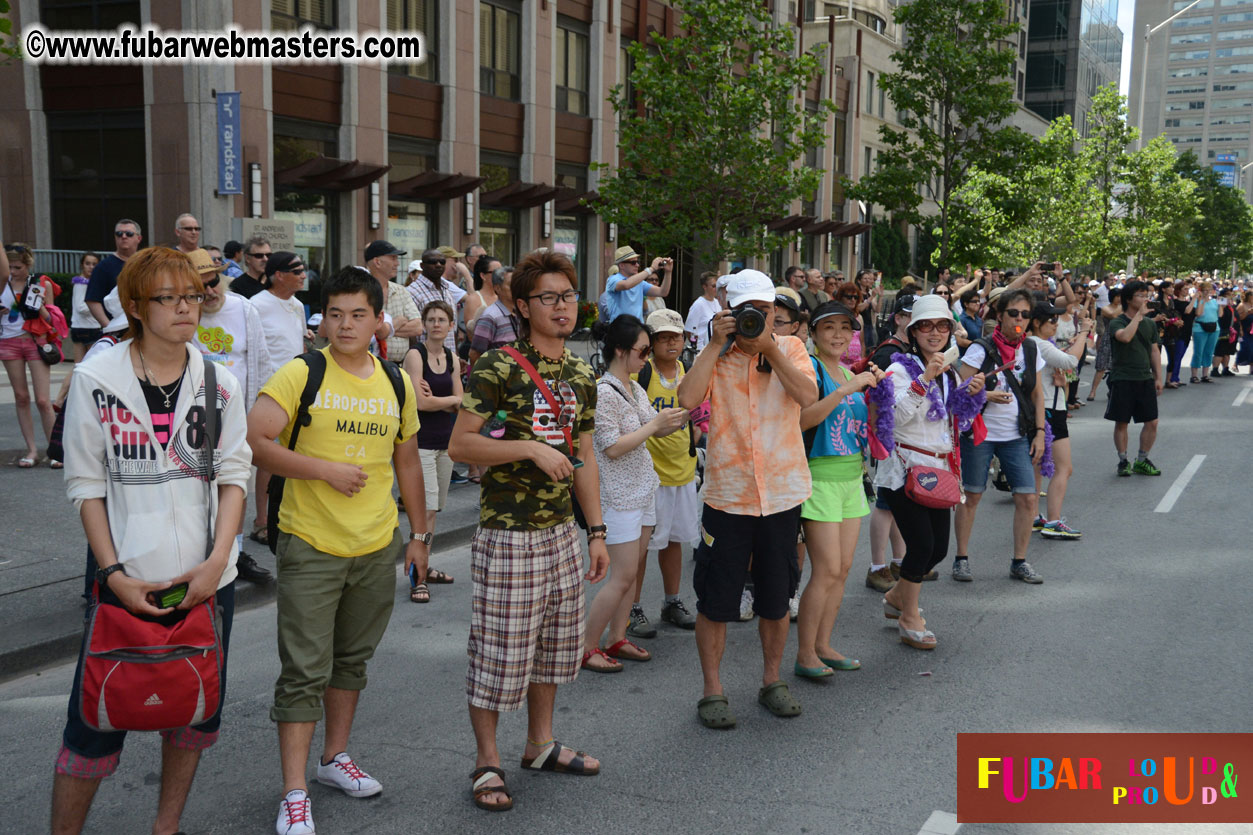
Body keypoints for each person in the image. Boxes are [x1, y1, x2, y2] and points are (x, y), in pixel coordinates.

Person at [52, 246, 250, 835]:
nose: (187, 307)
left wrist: (217, 562)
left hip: (209, 578)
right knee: (94, 719)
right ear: (136, 306)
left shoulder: (221, 380)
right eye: (169, 297)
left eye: (192, 295)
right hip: (125, 575)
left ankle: (167, 827)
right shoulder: (96, 377)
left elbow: (236, 476)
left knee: (192, 708)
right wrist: (112, 574)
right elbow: (85, 485)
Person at [247, 266, 427, 835]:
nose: (345, 324)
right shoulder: (302, 372)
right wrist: (320, 469)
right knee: (303, 670)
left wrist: (419, 535)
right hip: (310, 542)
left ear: (380, 320)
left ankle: (334, 760)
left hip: (377, 543)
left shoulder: (395, 382)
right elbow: (254, 440)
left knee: (352, 661)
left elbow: (407, 461)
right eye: (335, 313)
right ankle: (294, 790)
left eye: (358, 314)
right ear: (320, 317)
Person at [447, 250, 609, 812]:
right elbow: (460, 444)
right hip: (509, 535)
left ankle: (539, 745)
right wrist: (530, 449)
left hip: (563, 532)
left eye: (568, 296)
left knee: (555, 648)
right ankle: (486, 761)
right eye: (548, 298)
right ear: (522, 305)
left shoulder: (584, 373)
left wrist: (597, 531)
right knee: (498, 652)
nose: (562, 307)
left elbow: (584, 456)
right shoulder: (498, 366)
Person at [677, 269, 818, 729]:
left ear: (775, 311)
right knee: (716, 600)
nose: (756, 318)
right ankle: (711, 689)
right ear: (727, 312)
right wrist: (715, 345)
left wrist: (771, 348)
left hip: (780, 495)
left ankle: (772, 680)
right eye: (746, 312)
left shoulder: (791, 347)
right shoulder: (715, 353)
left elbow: (807, 396)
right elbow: (686, 399)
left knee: (777, 598)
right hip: (728, 494)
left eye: (764, 310)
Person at [867, 296, 986, 650]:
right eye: (926, 326)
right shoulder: (898, 369)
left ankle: (895, 598)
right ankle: (909, 615)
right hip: (904, 469)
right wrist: (924, 378)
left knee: (938, 550)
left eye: (942, 326)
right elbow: (896, 418)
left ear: (951, 330)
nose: (935, 333)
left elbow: (953, 422)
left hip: (938, 469)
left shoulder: (949, 371)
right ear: (913, 331)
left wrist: (971, 395)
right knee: (920, 545)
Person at [581, 315, 688, 672]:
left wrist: (671, 420)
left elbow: (649, 430)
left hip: (642, 490)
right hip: (618, 496)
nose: (647, 358)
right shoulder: (603, 392)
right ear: (620, 350)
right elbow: (611, 447)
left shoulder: (634, 387)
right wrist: (656, 425)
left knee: (632, 571)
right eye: (643, 351)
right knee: (623, 576)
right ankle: (588, 645)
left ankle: (616, 637)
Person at [794, 301, 883, 677]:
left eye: (845, 328)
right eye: (828, 328)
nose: (838, 335)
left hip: (851, 478)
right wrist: (846, 389)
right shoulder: (810, 370)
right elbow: (801, 420)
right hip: (819, 478)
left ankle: (824, 644)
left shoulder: (850, 371)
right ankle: (804, 655)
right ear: (812, 334)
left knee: (844, 568)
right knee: (827, 569)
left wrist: (879, 393)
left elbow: (866, 429)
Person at [954, 289, 1048, 585]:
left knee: (1028, 497)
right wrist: (984, 393)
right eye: (1013, 313)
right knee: (972, 495)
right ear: (999, 316)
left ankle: (1019, 561)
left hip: (1016, 435)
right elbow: (958, 391)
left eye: (1025, 314)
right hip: (980, 433)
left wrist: (1041, 434)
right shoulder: (980, 350)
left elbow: (1037, 395)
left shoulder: (1030, 350)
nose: (1019, 319)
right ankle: (961, 559)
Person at [626, 308, 702, 638]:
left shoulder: (691, 371)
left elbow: (700, 409)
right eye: (663, 337)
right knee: (640, 547)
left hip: (682, 472)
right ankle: (632, 607)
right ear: (651, 343)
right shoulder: (641, 375)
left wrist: (698, 427)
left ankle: (672, 602)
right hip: (649, 475)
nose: (672, 342)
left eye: (677, 336)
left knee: (674, 542)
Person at [247, 252, 310, 548]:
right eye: (296, 270)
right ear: (278, 275)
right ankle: (261, 520)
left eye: (303, 269)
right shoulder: (256, 305)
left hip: (297, 390)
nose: (303, 274)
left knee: (291, 453)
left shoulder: (297, 305)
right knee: (267, 460)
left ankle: (284, 515)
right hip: (269, 392)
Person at [401, 300, 462, 603]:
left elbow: (460, 401)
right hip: (420, 442)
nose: (437, 323)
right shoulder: (416, 354)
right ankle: (417, 577)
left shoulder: (453, 357)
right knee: (424, 511)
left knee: (434, 510)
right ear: (424, 324)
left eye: (442, 319)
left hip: (445, 442)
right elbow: (420, 404)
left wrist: (443, 398)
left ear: (451, 325)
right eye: (431, 319)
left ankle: (424, 563)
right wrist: (447, 400)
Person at [864, 293, 916, 592]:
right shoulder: (888, 353)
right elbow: (876, 400)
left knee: (897, 505)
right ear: (898, 318)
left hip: (902, 441)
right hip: (888, 440)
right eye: (910, 316)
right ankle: (877, 566)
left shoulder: (909, 349)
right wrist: (879, 439)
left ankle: (898, 560)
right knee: (885, 505)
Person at [1027, 300, 1090, 539]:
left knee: (1035, 467)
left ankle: (1034, 516)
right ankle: (1053, 521)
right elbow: (1070, 362)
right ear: (1036, 322)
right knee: (1064, 468)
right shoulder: (1038, 343)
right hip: (1050, 411)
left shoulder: (1034, 343)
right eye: (1051, 320)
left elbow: (1062, 370)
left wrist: (1062, 383)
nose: (1056, 324)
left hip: (1045, 407)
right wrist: (1084, 331)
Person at [2, 244, 58, 468]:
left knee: (43, 400)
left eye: (18, 267)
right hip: (8, 341)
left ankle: (55, 450)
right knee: (21, 397)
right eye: (10, 267)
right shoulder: (1, 284)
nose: (13, 271)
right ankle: (32, 450)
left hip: (35, 341)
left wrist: (41, 307)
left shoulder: (39, 283)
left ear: (27, 265)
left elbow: (55, 320)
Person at [1106, 280, 1164, 478]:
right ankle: (1123, 460)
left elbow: (1154, 350)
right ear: (1129, 299)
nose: (1145, 298)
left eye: (1146, 294)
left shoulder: (1149, 324)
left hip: (1144, 378)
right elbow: (1124, 337)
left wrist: (1158, 377)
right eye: (1140, 295)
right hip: (1122, 378)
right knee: (1122, 422)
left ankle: (1142, 459)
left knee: (1152, 421)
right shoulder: (1117, 321)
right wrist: (1138, 316)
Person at [361, 240, 421, 362]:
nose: (397, 263)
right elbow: (373, 330)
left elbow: (418, 328)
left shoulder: (401, 291)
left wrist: (388, 328)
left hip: (399, 366)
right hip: (371, 365)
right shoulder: (360, 291)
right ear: (377, 262)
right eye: (393, 258)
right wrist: (398, 322)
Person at [85, 218, 143, 327]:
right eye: (119, 234)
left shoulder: (146, 264)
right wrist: (109, 327)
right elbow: (92, 300)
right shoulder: (103, 267)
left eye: (129, 234)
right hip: (118, 330)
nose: (124, 236)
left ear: (138, 238)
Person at [406, 249, 462, 352]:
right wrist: (418, 358)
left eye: (442, 262)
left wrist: (456, 357)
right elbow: (411, 334)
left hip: (448, 358)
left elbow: (452, 330)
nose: (438, 265)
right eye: (432, 262)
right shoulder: (412, 292)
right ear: (422, 266)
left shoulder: (447, 290)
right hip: (425, 359)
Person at [600, 246, 672, 322]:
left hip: (637, 328)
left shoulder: (639, 282)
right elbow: (626, 285)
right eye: (633, 262)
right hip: (620, 329)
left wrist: (668, 272)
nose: (637, 265)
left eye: (638, 262)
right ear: (622, 265)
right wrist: (651, 269)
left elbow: (663, 292)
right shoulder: (613, 279)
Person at [468, 264, 516, 367]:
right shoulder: (490, 316)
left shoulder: (521, 313)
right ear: (497, 288)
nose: (516, 288)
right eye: (510, 285)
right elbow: (474, 354)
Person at [69, 252, 102, 362]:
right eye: (88, 264)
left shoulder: (87, 282)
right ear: (82, 264)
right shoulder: (82, 283)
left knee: (79, 367)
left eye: (94, 264)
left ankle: (73, 380)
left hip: (81, 327)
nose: (91, 267)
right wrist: (98, 306)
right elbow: (81, 307)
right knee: (93, 365)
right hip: (89, 328)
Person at [1186, 281, 1219, 384]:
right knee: (1198, 352)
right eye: (1205, 290)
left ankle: (1205, 375)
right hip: (1200, 328)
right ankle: (1194, 375)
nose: (1207, 292)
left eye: (1209, 290)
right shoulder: (1197, 301)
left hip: (1214, 327)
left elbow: (1220, 314)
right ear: (1200, 291)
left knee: (1209, 352)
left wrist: (1223, 305)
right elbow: (1198, 314)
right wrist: (1202, 301)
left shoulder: (1214, 301)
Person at [464, 254, 503, 336]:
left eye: (502, 272)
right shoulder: (473, 299)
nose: (500, 276)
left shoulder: (503, 297)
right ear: (483, 275)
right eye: (496, 272)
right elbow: (471, 335)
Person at [833, 283, 866, 363]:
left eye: (855, 297)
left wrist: (862, 362)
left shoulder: (859, 318)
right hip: (839, 363)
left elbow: (862, 342)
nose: (853, 300)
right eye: (849, 297)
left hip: (856, 363)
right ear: (841, 298)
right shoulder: (834, 316)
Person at [1214, 289, 1236, 377]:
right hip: (1222, 329)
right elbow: (1220, 315)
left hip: (1228, 329)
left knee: (1227, 351)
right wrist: (1221, 305)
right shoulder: (1221, 304)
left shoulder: (1229, 306)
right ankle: (1215, 369)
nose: (1230, 296)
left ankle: (1225, 368)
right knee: (1220, 350)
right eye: (1228, 295)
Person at [1236, 290, 1253, 373]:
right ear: (1248, 296)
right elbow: (1237, 318)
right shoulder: (1242, 305)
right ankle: (1236, 363)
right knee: (1246, 348)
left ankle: (1252, 369)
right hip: (1244, 330)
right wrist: (1248, 312)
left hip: (1252, 330)